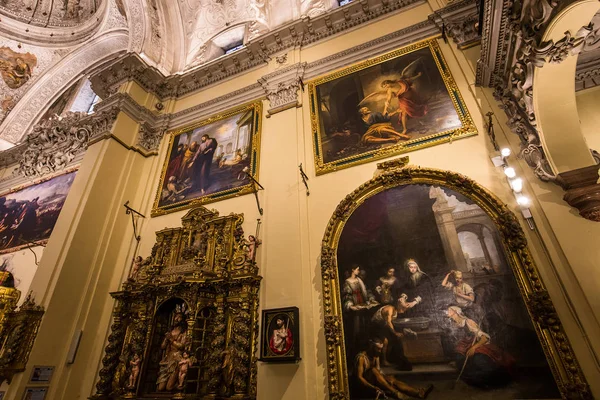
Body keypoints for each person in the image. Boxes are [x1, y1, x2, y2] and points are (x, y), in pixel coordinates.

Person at [446, 306, 515, 388]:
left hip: (476, 345)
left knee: (479, 360)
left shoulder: (468, 322)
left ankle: (492, 382)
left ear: (456, 312)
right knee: (460, 362)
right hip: (463, 348)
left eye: (449, 310)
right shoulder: (453, 324)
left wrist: (473, 347)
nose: (447, 312)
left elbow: (485, 338)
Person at [354, 338, 433, 399]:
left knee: (392, 380)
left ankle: (418, 393)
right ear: (371, 347)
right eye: (378, 349)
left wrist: (387, 379)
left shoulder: (375, 356)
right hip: (365, 387)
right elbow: (359, 378)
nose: (380, 351)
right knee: (373, 370)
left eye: (381, 349)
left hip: (374, 381)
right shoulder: (361, 358)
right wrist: (374, 388)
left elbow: (378, 373)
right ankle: (395, 392)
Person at [370, 294, 421, 368]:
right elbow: (388, 322)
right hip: (375, 327)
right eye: (403, 307)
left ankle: (395, 359)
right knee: (386, 341)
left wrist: (416, 300)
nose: (404, 309)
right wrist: (395, 333)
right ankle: (384, 361)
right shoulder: (389, 309)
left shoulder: (401, 308)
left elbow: (410, 305)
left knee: (396, 339)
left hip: (383, 327)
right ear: (399, 305)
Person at [343, 265, 379, 355]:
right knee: (356, 330)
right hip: (355, 310)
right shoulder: (347, 282)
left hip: (364, 306)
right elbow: (347, 296)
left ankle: (367, 351)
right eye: (357, 269)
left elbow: (367, 291)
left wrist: (371, 299)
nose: (358, 271)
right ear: (352, 270)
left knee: (366, 328)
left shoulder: (360, 281)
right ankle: (357, 352)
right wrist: (351, 306)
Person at [157, 310, 188, 391]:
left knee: (169, 387)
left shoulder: (183, 332)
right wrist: (166, 339)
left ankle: (180, 384)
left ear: (182, 320)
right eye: (175, 316)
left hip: (176, 359)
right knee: (160, 388)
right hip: (167, 358)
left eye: (179, 317)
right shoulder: (170, 331)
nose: (176, 319)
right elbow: (163, 346)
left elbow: (181, 346)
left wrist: (171, 339)